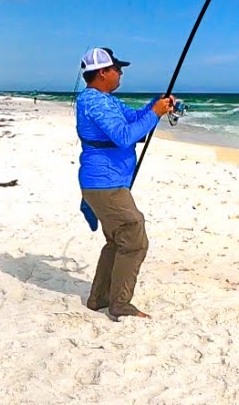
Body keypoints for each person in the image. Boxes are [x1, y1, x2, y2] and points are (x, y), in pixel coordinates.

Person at [75, 46, 175, 320]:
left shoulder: (107, 100)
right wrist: (154, 113)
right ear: (103, 72)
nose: (121, 73)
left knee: (117, 240)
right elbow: (123, 136)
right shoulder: (93, 102)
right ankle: (119, 304)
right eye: (117, 69)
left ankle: (99, 299)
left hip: (110, 182)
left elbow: (133, 119)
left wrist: (157, 105)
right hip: (105, 184)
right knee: (134, 236)